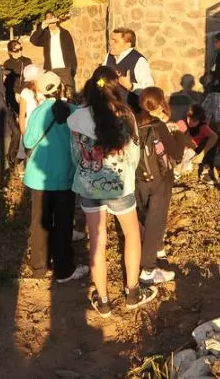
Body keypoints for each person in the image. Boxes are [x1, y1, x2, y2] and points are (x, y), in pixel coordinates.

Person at [68, 66, 157, 317]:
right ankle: (133, 292)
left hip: (89, 187)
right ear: (115, 86)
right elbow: (134, 155)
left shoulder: (75, 118)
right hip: (120, 186)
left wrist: (87, 172)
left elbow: (75, 155)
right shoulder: (126, 114)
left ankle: (104, 300)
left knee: (98, 241)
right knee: (132, 235)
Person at [23, 71, 88, 283]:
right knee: (63, 223)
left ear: (41, 91)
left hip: (38, 177)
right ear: (61, 88)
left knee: (39, 223)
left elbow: (28, 141)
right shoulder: (74, 112)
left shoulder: (37, 112)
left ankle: (39, 266)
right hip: (65, 176)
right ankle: (63, 269)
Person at [135, 87, 183, 286]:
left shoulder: (133, 122)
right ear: (161, 103)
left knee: (146, 219)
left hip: (139, 180)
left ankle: (158, 248)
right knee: (155, 222)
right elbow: (177, 153)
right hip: (160, 180)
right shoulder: (159, 126)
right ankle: (148, 270)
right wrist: (178, 134)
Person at [103, 28, 154, 112]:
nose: (110, 43)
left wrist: (131, 86)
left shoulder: (139, 61)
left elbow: (149, 90)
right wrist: (99, 85)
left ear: (127, 45)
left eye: (115, 41)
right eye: (111, 40)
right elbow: (102, 78)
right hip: (109, 109)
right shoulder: (109, 56)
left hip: (130, 112)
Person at [30, 12, 78, 96]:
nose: (51, 23)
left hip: (65, 69)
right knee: (53, 96)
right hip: (51, 70)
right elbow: (33, 40)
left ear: (56, 20)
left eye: (52, 20)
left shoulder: (65, 33)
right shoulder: (45, 35)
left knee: (69, 94)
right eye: (48, 21)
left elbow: (71, 52)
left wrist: (72, 69)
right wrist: (41, 28)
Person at [3, 40, 33, 167]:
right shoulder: (7, 63)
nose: (19, 52)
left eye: (21, 48)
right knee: (16, 125)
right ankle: (13, 155)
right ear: (10, 52)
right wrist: (15, 92)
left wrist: (22, 91)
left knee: (25, 120)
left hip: (24, 93)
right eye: (16, 50)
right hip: (12, 95)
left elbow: (28, 78)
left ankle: (23, 150)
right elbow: (8, 82)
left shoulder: (27, 61)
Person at [177, 105, 220, 185]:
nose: (190, 122)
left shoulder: (203, 127)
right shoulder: (182, 123)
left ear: (199, 120)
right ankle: (176, 172)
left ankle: (205, 172)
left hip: (196, 151)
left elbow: (214, 137)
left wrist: (202, 154)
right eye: (189, 118)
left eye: (194, 120)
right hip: (183, 151)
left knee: (212, 142)